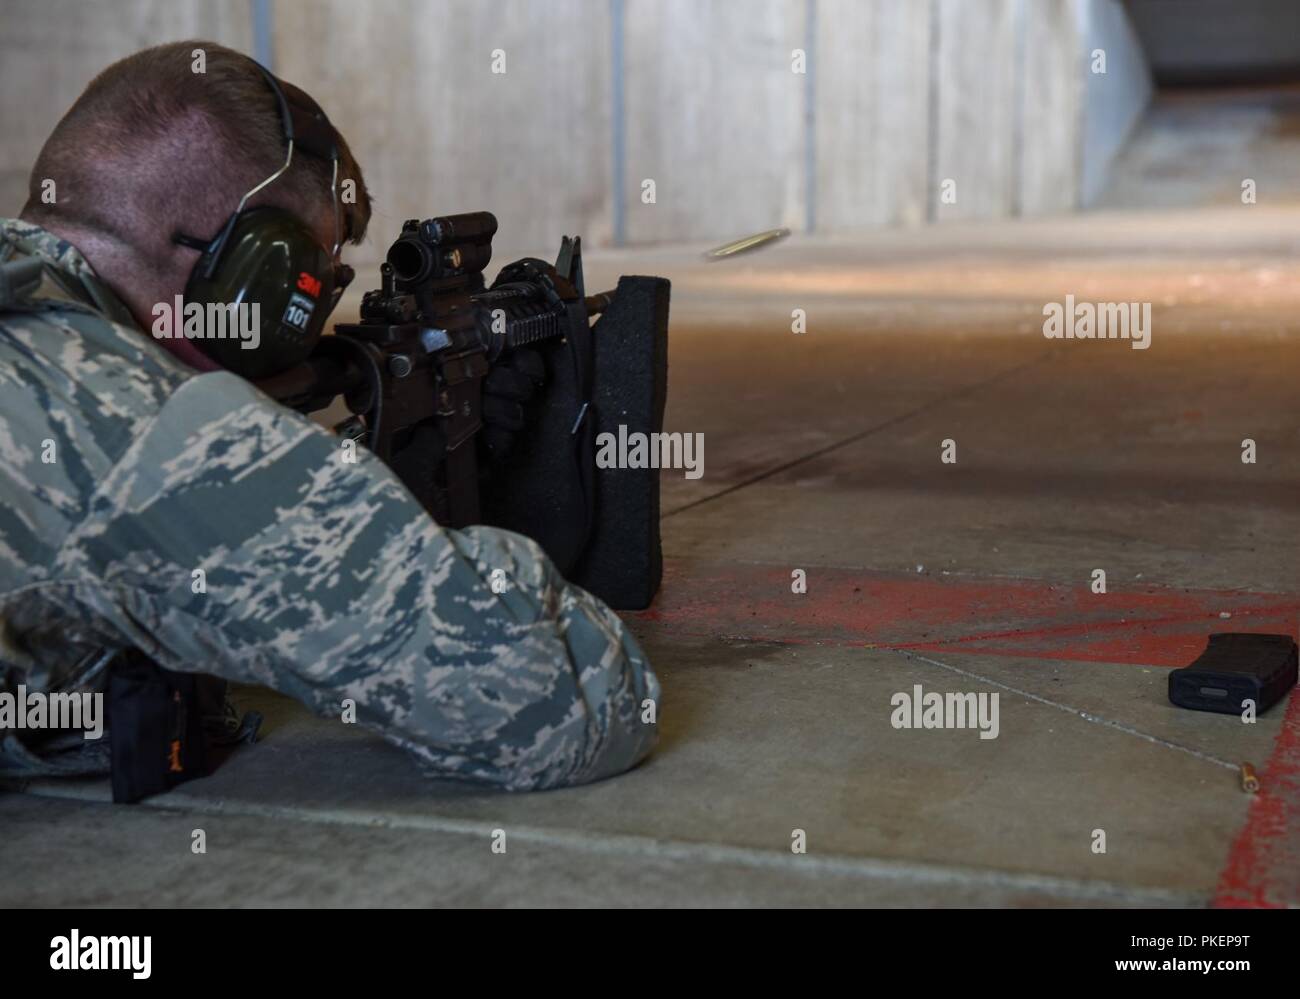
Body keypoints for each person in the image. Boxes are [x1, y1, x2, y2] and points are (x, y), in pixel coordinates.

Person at [0, 41, 659, 791]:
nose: (310, 325)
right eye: (310, 283)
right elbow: (563, 701)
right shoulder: (143, 430)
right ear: (244, 271)